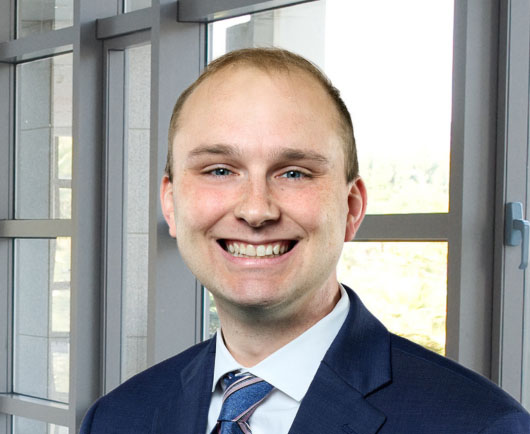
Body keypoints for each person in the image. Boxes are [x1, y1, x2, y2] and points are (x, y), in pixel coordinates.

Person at [80, 48, 530, 434]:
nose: (256, 210)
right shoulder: (117, 417)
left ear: (351, 208)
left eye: (294, 172)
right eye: (219, 170)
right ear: (172, 204)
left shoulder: (479, 425)